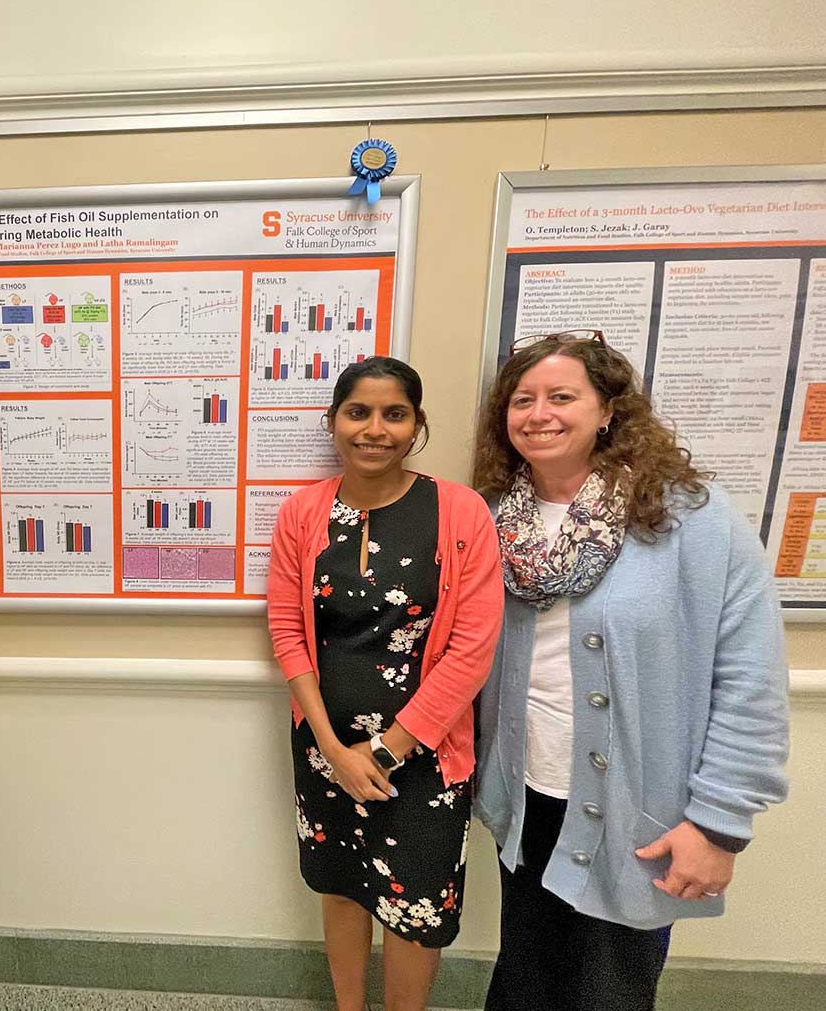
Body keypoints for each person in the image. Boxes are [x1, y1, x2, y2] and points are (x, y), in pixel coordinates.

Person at [471, 330, 790, 1011]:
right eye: (522, 400)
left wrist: (720, 824)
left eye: (562, 396)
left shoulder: (690, 521)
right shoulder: (497, 520)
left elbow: (750, 680)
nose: (539, 413)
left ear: (609, 410)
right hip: (529, 800)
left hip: (640, 811)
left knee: (611, 991)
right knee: (525, 978)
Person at [267, 357, 504, 1011]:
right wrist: (331, 746)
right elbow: (288, 631)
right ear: (334, 422)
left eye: (394, 414)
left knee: (413, 908)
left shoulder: (458, 512)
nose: (375, 429)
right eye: (358, 412)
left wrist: (389, 749)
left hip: (423, 757)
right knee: (342, 888)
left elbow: (472, 647)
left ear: (416, 425)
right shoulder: (301, 512)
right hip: (325, 750)